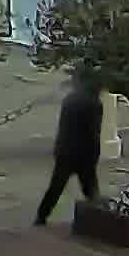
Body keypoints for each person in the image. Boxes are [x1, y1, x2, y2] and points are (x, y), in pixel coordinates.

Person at [33, 69, 105, 225]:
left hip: (65, 150)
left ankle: (41, 217)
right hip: (84, 154)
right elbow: (94, 132)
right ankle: (100, 219)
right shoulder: (95, 104)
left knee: (56, 187)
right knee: (91, 189)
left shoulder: (69, 100)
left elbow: (64, 127)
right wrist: (95, 155)